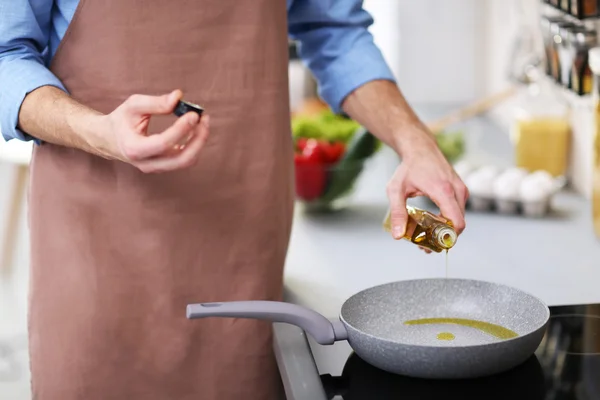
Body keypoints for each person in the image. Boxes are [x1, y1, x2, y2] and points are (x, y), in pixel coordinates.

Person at [0, 1, 468, 399]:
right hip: (94, 238)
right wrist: (100, 133)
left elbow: (336, 31)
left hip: (243, 243)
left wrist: (415, 141)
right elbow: (6, 57)